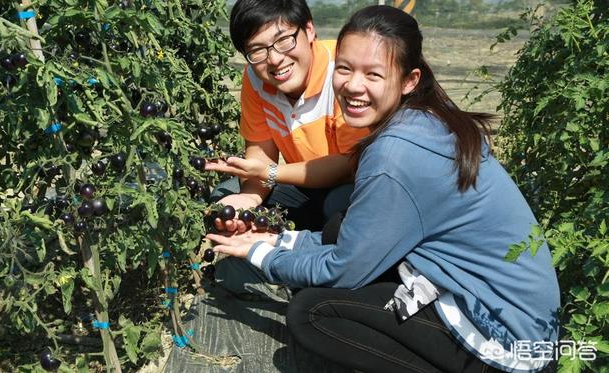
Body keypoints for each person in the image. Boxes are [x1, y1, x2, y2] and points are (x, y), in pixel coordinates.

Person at [207, 5, 560, 373]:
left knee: (313, 313)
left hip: (507, 339)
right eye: (344, 70)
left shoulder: (394, 155)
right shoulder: (427, 118)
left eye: (373, 74)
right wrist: (280, 242)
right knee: (338, 232)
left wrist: (264, 255)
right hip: (495, 304)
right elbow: (354, 245)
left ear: (409, 80)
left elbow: (344, 269)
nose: (353, 86)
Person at [205, 0, 369, 233]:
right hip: (305, 185)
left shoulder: (343, 70)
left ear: (309, 30)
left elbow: (350, 164)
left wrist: (271, 173)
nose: (274, 59)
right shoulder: (255, 79)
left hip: (356, 185)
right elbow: (259, 156)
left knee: (339, 207)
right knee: (226, 196)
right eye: (257, 50)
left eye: (283, 40)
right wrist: (249, 199)